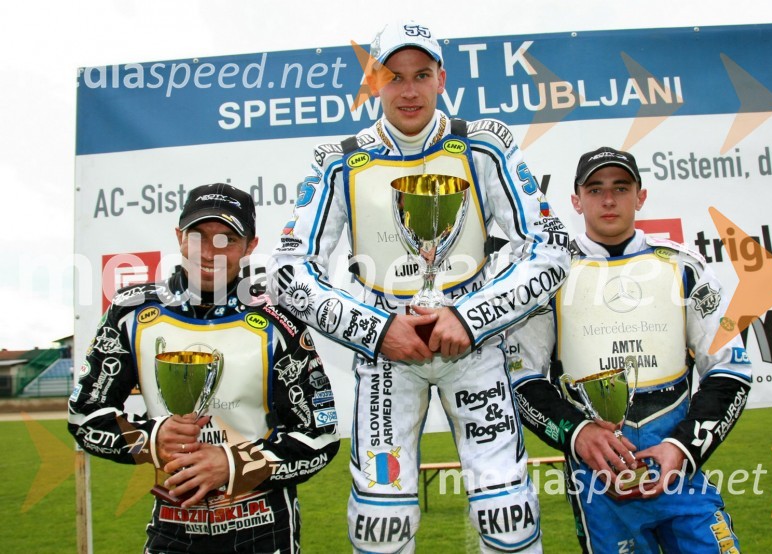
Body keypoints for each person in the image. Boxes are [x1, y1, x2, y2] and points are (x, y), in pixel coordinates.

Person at [267, 19, 570, 553]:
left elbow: (549, 248)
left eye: (421, 75)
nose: (409, 90)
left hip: (474, 350)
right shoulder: (340, 159)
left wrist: (470, 317)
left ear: (441, 79)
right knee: (381, 520)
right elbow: (290, 271)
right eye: (395, 77)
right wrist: (376, 328)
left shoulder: (484, 145)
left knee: (507, 511)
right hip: (387, 355)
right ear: (375, 83)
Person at [68, 183, 340, 553]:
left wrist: (232, 465)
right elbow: (84, 416)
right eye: (198, 235)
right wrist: (150, 440)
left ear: (250, 247)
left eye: (227, 238)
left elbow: (320, 436)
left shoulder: (278, 316)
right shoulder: (132, 312)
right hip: (173, 525)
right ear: (179, 237)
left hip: (262, 525)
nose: (210, 251)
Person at [510, 147, 752, 553]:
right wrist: (578, 434)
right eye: (595, 189)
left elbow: (731, 371)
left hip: (680, 472)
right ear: (575, 199)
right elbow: (523, 379)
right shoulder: (547, 276)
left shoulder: (684, 266)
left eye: (621, 188)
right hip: (600, 483)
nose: (608, 200)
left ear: (640, 196)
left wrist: (682, 448)